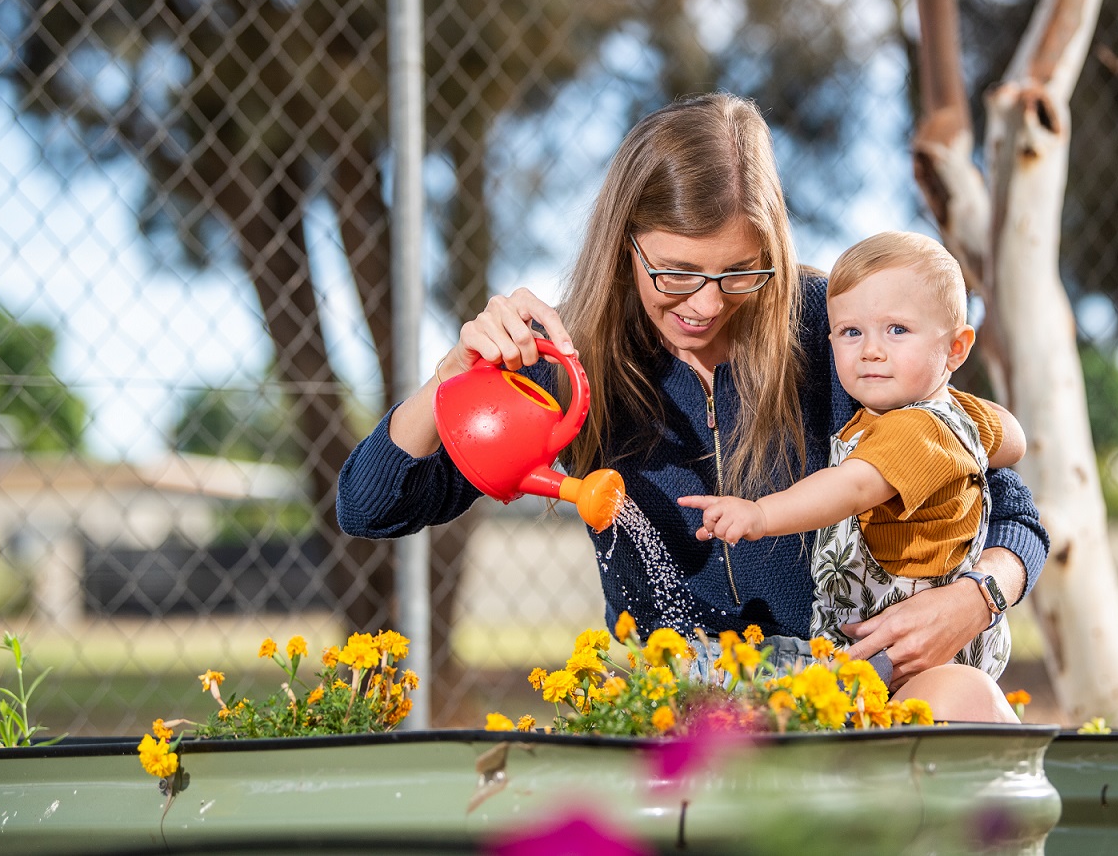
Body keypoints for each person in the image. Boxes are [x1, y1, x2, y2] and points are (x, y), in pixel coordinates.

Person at [336, 93, 1048, 722]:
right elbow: (373, 507)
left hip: (846, 694)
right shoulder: (568, 363)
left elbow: (1005, 506)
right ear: (625, 245)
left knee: (963, 701)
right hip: (683, 711)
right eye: (675, 273)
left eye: (740, 272)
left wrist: (977, 597)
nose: (706, 305)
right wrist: (451, 380)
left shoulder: (836, 331)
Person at [680, 231, 1021, 716]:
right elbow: (1011, 437)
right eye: (851, 332)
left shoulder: (919, 430)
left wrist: (759, 513)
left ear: (956, 349)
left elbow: (852, 486)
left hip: (910, 652)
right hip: (880, 647)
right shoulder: (933, 413)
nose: (871, 351)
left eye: (897, 330)